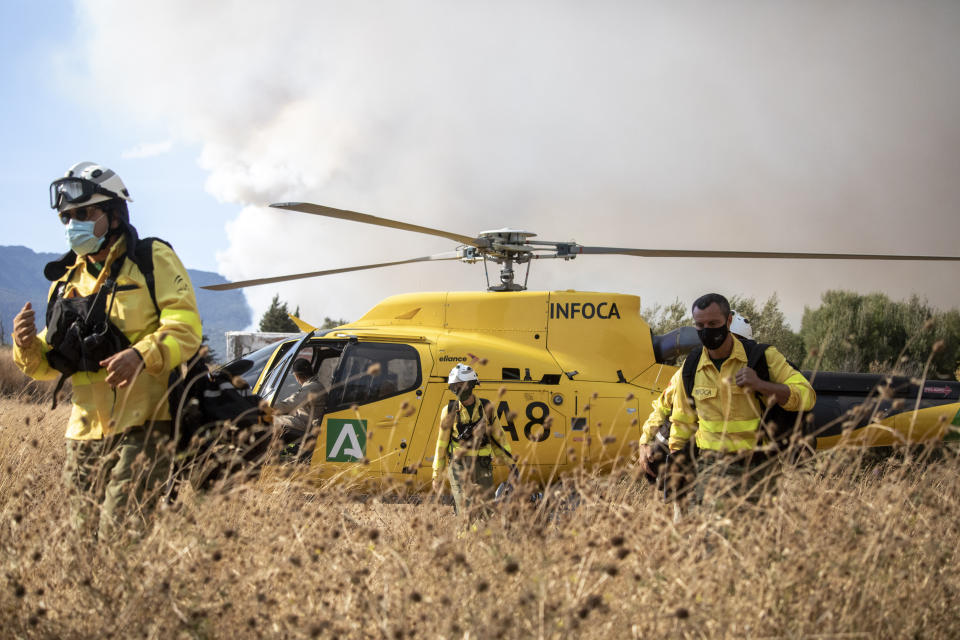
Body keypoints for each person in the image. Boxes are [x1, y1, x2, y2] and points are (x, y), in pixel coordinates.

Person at [11, 161, 202, 540]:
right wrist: (25, 346)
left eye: (84, 213)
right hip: (82, 435)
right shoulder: (65, 284)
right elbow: (49, 366)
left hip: (144, 426)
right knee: (81, 547)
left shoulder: (151, 260)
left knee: (122, 537)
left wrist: (142, 355)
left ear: (114, 215)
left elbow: (187, 328)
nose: (73, 224)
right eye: (67, 217)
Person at [667, 294, 815, 508]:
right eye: (700, 325)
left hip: (757, 469)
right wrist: (677, 463)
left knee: (755, 539)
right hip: (711, 469)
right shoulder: (691, 366)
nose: (706, 330)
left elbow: (806, 396)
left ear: (728, 322)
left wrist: (762, 385)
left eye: (713, 323)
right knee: (713, 538)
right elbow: (682, 421)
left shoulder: (761, 357)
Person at [637, 311, 754, 479]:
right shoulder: (690, 369)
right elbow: (663, 406)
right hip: (695, 466)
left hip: (745, 468)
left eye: (738, 342)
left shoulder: (757, 372)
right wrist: (645, 441)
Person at [432, 364, 515, 518]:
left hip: (482, 466)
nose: (457, 389)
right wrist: (437, 474)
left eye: (460, 385)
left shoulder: (486, 408)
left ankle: (482, 540)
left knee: (485, 510)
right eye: (454, 386)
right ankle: (463, 540)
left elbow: (499, 438)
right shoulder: (449, 410)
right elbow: (441, 444)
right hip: (458, 466)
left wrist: (511, 464)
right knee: (465, 510)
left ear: (470, 385)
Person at [273, 357, 328, 444]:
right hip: (303, 421)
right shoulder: (314, 385)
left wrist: (270, 407)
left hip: (307, 425)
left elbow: (290, 404)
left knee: (271, 420)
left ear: (297, 376)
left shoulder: (312, 387)